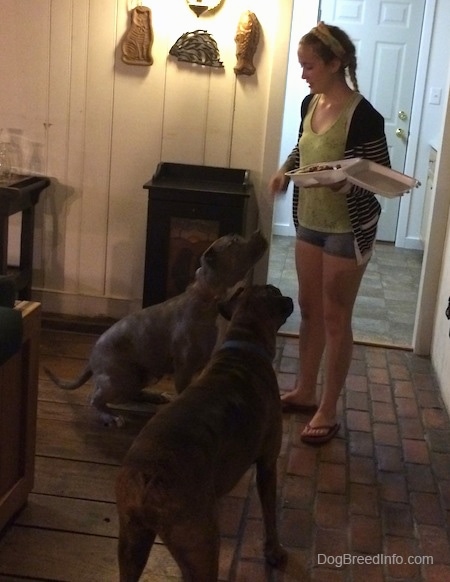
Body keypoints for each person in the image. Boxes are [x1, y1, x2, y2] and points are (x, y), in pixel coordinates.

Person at [269, 21, 390, 445]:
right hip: (311, 222)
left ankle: (328, 407)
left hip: (348, 227)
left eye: (310, 66)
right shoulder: (310, 103)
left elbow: (379, 177)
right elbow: (304, 148)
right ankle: (305, 390)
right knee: (309, 307)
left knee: (336, 316)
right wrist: (286, 171)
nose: (303, 74)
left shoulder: (365, 115)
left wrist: (347, 181)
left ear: (335, 63)